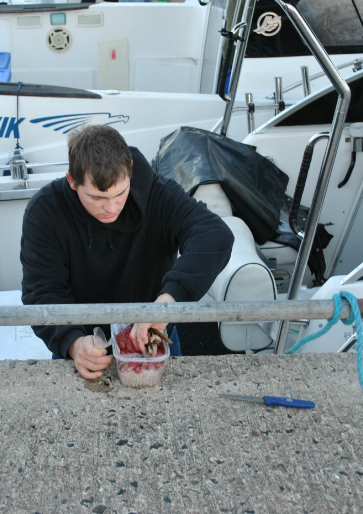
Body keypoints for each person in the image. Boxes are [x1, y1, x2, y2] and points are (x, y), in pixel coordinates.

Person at [21, 125, 234, 379]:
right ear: (72, 181)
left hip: (153, 339)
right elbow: (42, 291)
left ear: (130, 169)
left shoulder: (159, 194)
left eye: (120, 193)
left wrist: (168, 302)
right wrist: (72, 343)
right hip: (82, 350)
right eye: (97, 198)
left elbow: (214, 235)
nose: (111, 208)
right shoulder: (44, 212)